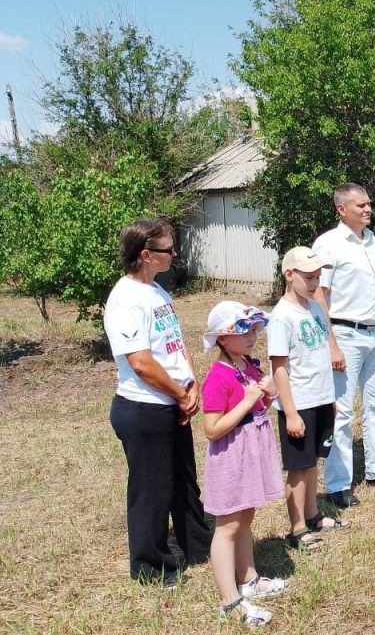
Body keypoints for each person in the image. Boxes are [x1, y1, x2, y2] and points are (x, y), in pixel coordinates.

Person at [105, 218, 211, 586]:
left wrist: (191, 382)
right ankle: (150, 567)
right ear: (146, 255)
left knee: (183, 481)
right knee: (152, 490)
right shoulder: (126, 299)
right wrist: (179, 394)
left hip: (172, 401)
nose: (175, 254)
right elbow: (141, 363)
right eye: (168, 249)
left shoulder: (158, 291)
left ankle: (198, 546)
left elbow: (174, 343)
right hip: (144, 408)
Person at [312, 183, 375, 509]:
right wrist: (331, 344)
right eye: (361, 205)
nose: (368, 209)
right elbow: (318, 296)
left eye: (369, 204)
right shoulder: (328, 244)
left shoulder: (371, 239)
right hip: (345, 334)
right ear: (342, 209)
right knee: (341, 412)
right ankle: (338, 484)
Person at [201, 301, 287, 627]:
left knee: (246, 516)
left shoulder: (247, 365)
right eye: (243, 330)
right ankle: (229, 600)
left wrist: (269, 393)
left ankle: (249, 579)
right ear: (223, 338)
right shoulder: (218, 377)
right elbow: (212, 429)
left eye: (253, 329)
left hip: (250, 452)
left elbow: (259, 402)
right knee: (227, 526)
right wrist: (250, 400)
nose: (252, 336)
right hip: (231, 457)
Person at [267, 247, 347, 553]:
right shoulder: (282, 317)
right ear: (290, 275)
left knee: (313, 461)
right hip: (299, 404)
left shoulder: (314, 307)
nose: (315, 283)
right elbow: (279, 368)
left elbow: (320, 354)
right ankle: (297, 527)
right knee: (298, 468)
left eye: (318, 277)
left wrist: (330, 398)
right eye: (309, 277)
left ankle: (312, 515)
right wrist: (290, 412)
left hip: (320, 398)